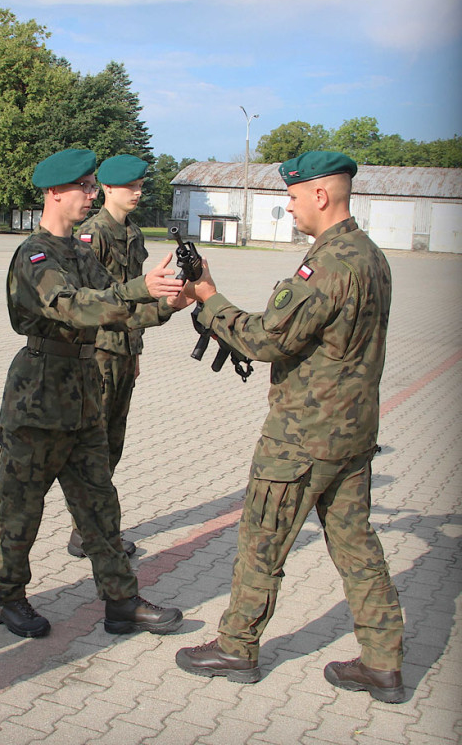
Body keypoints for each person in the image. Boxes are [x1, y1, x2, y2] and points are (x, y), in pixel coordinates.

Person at [174, 151, 405, 704]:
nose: (290, 206)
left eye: (295, 196)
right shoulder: (371, 257)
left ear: (321, 195)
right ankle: (383, 661)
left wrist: (208, 298)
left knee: (261, 541)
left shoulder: (325, 264)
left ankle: (236, 646)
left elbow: (266, 339)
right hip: (351, 435)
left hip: (303, 438)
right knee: (356, 547)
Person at [0, 148, 191, 640]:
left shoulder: (79, 251)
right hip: (38, 396)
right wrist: (140, 288)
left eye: (94, 186)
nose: (92, 194)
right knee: (19, 509)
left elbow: (114, 312)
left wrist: (166, 305)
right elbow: (76, 308)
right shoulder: (35, 254)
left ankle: (121, 601)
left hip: (82, 395)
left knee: (100, 506)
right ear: (55, 192)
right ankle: (7, 595)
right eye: (84, 187)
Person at [67, 154, 171, 559]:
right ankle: (88, 531)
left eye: (141, 186)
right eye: (131, 187)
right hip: (99, 352)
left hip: (124, 349)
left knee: (113, 443)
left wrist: (136, 347)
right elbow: (94, 301)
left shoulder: (133, 233)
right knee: (94, 444)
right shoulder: (93, 234)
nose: (138, 193)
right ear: (108, 188)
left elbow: (135, 290)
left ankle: (89, 527)